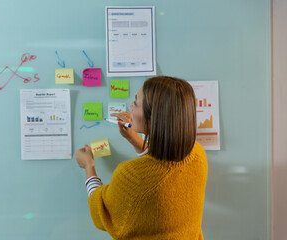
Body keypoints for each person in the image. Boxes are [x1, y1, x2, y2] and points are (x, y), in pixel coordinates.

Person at [76, 76, 208, 240]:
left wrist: (89, 165)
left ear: (154, 117)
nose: (130, 105)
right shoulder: (197, 153)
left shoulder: (133, 176)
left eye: (136, 103)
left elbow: (101, 210)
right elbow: (163, 166)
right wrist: (135, 139)